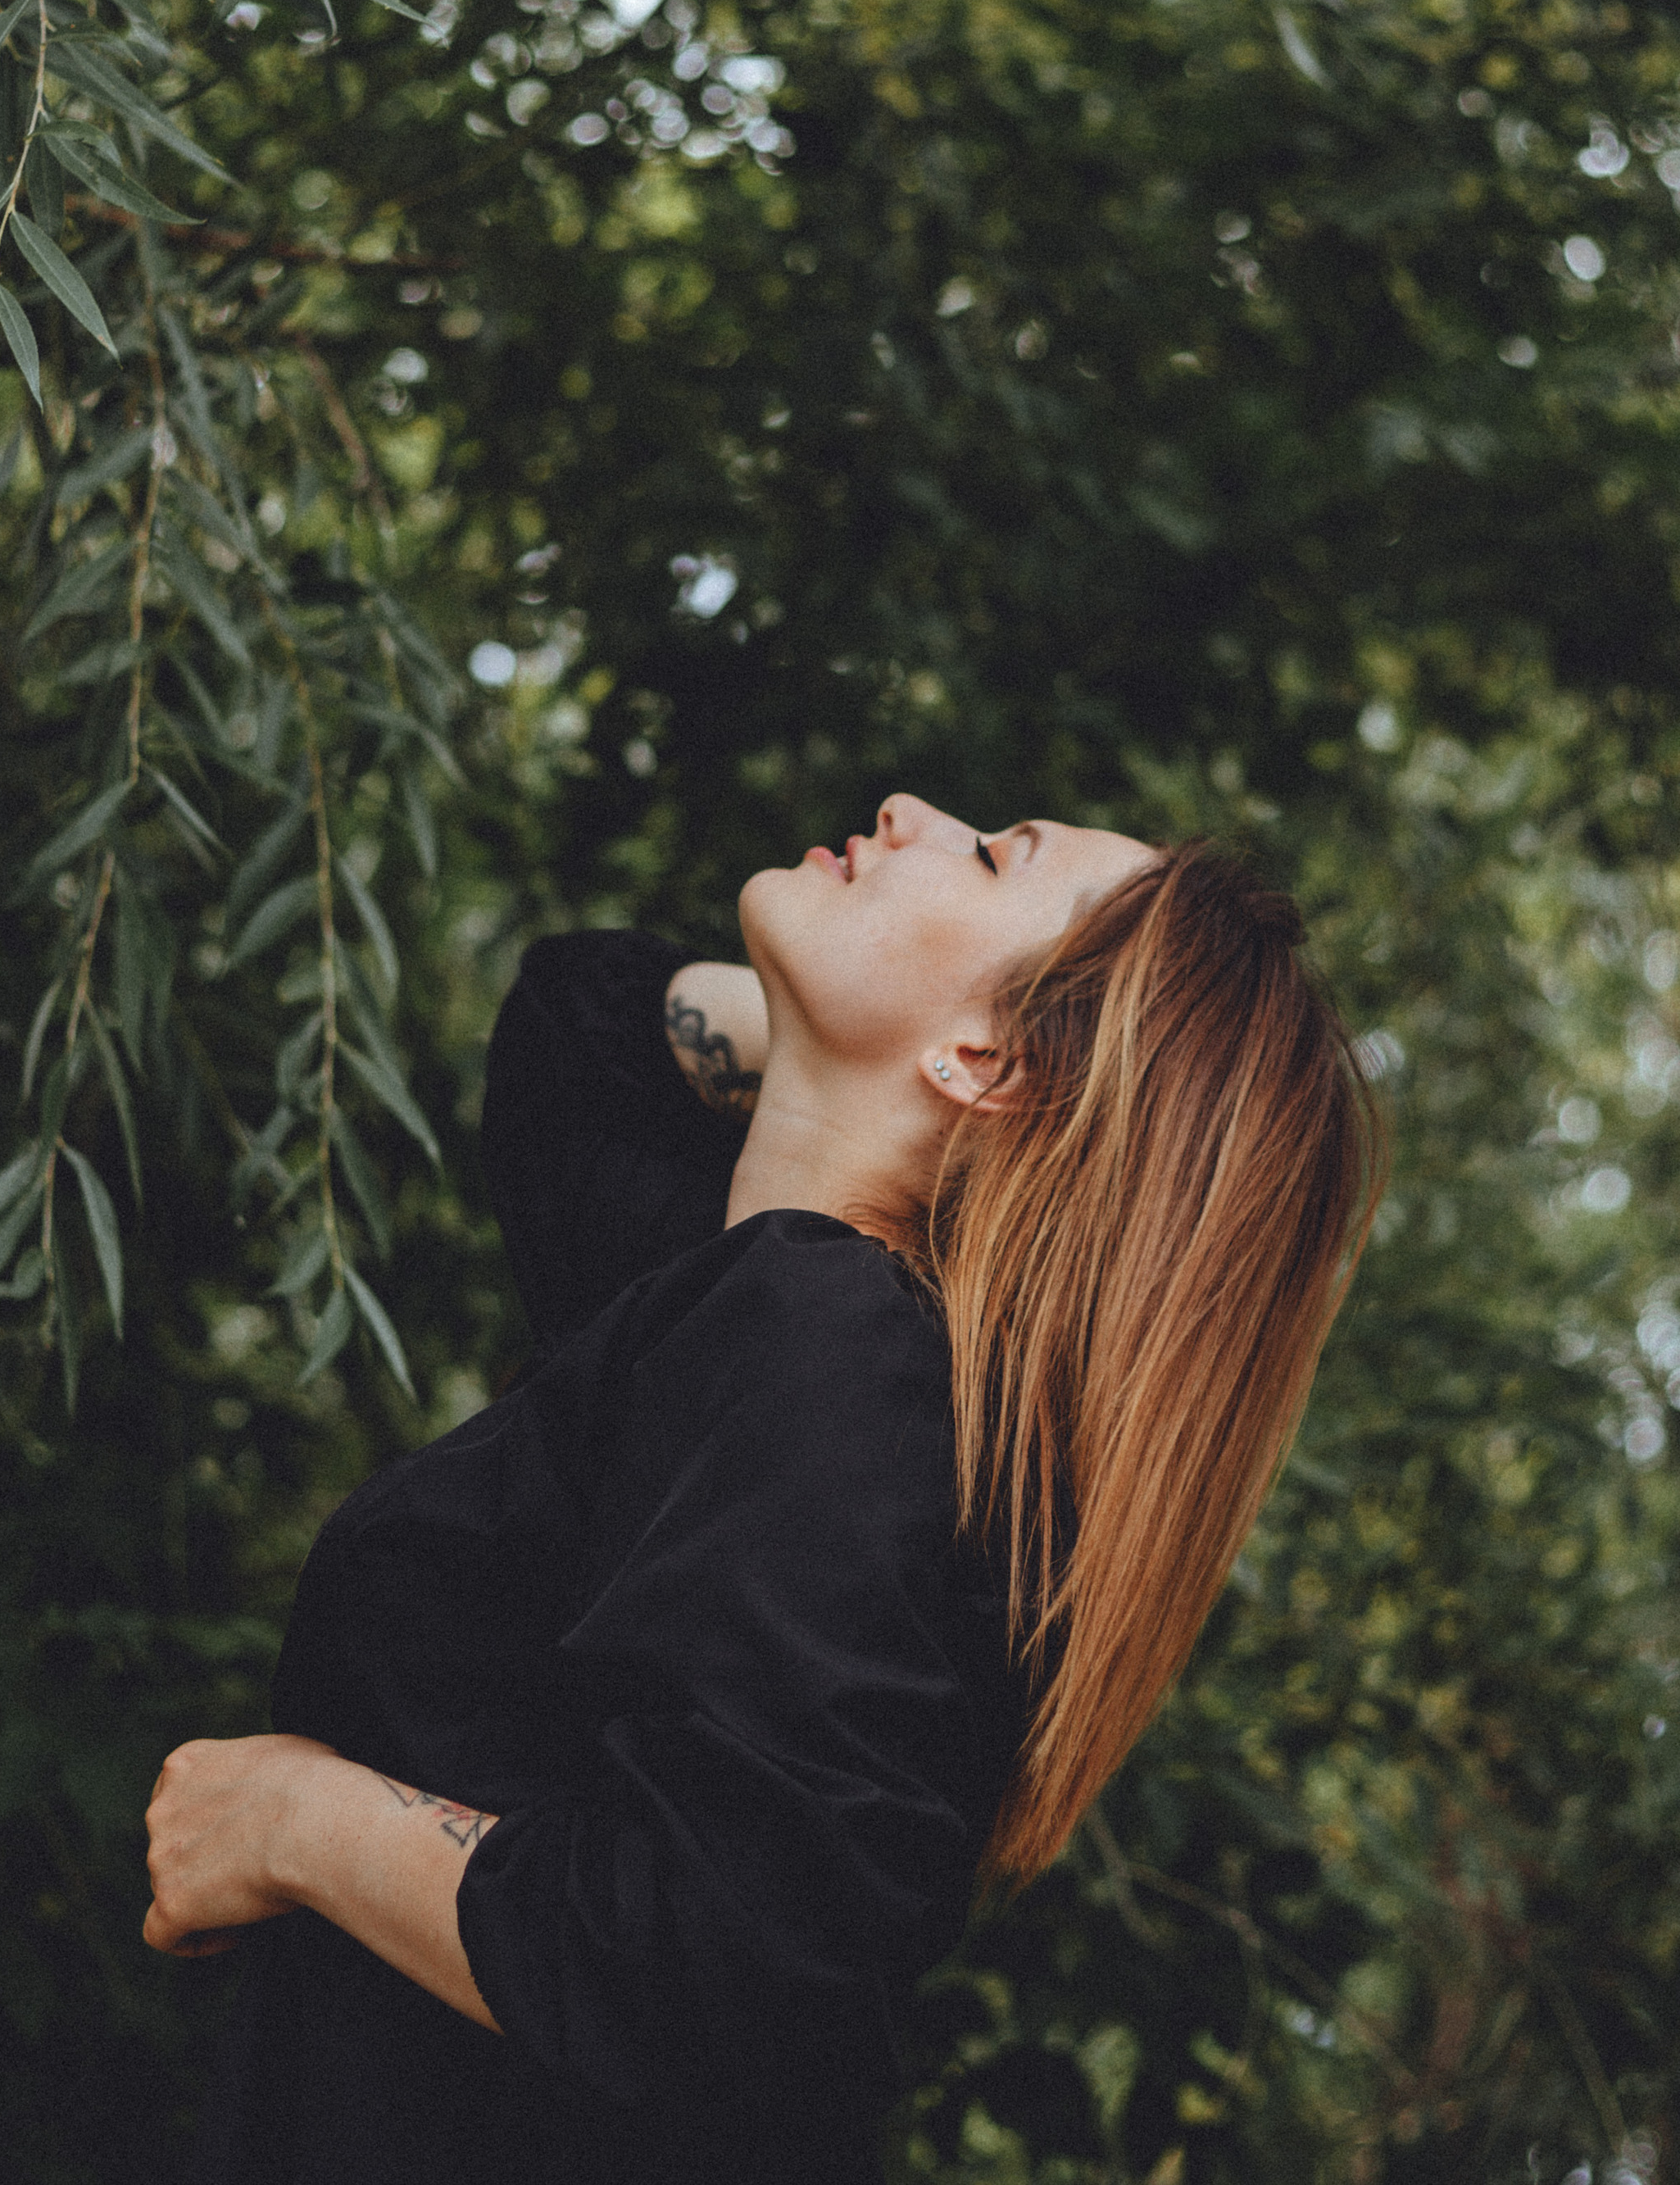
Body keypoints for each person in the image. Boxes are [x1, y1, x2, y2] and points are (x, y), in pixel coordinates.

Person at [143, 794, 1382, 2183]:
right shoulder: (750, 1310)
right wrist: (852, 1065)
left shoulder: (836, 1352)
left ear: (989, 1056)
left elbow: (708, 1961)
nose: (912, 810)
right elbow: (574, 1027)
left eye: (988, 855)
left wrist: (293, 1821)